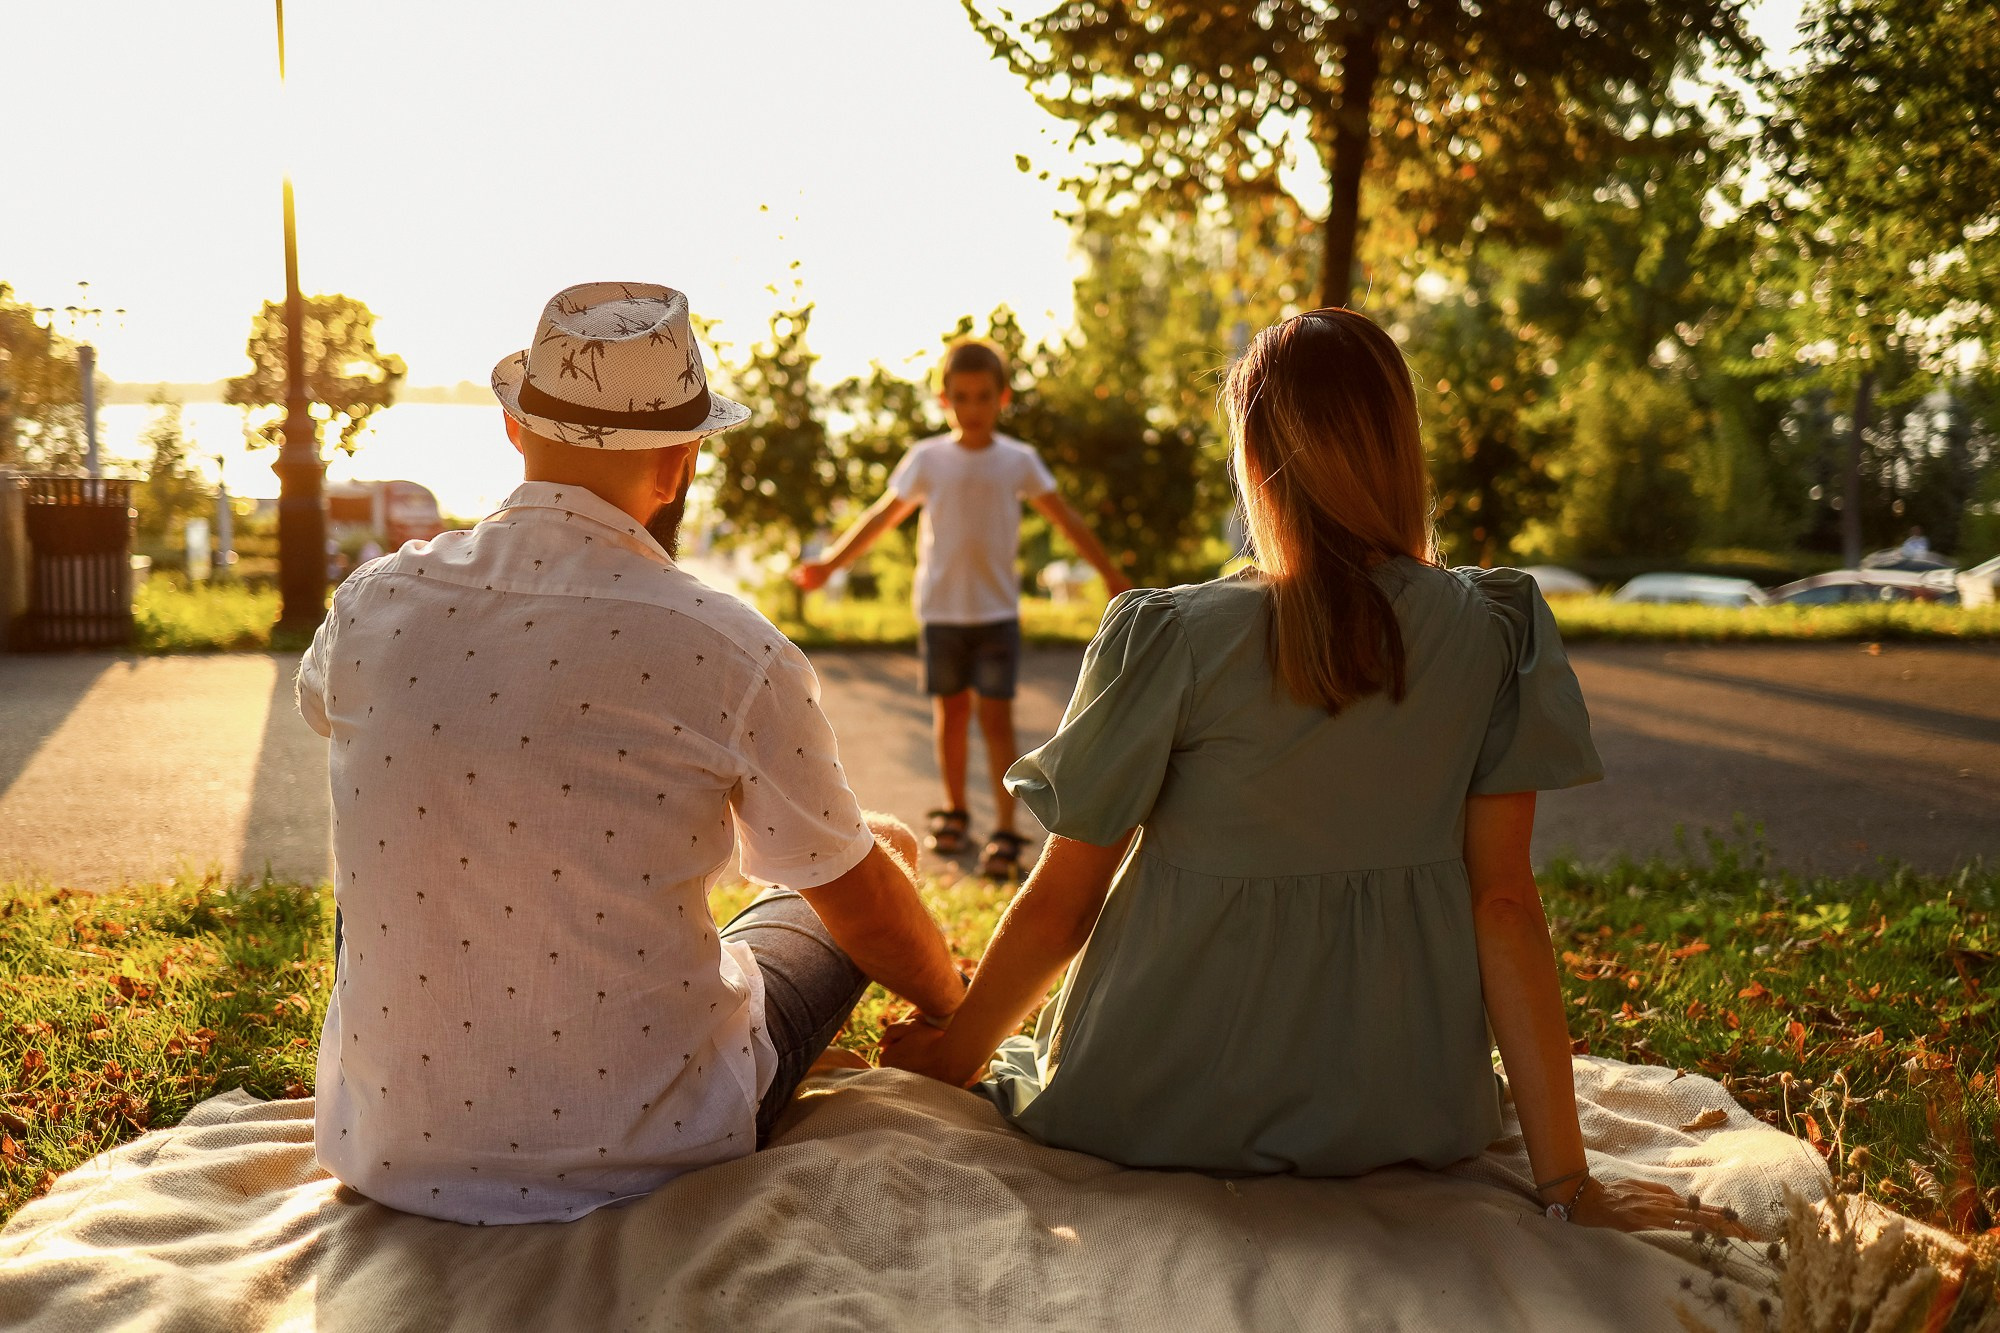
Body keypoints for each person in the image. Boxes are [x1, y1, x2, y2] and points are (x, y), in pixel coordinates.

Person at [880, 308, 1743, 1236]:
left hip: (1154, 1094)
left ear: (1256, 462)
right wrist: (1568, 1180)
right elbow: (1504, 904)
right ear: (1399, 447)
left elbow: (1064, 900)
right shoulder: (1495, 629)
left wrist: (956, 1055)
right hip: (1405, 1106)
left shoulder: (1173, 635)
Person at [295, 282, 964, 1226]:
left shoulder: (372, 600)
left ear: (516, 431)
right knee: (880, 844)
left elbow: (326, 712)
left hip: (389, 1142)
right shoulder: (731, 646)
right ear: (682, 464)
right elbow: (859, 904)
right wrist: (956, 1012)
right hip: (656, 1143)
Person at [791, 338, 1132, 880]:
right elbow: (883, 516)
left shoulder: (1018, 460)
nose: (973, 409)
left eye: (983, 397)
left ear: (1002, 398)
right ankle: (955, 811)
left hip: (996, 614)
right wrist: (831, 564)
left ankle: (1006, 827)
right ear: (944, 400)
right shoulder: (928, 459)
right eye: (962, 397)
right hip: (941, 613)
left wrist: (1112, 574)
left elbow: (1064, 516)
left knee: (996, 720)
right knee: (950, 716)